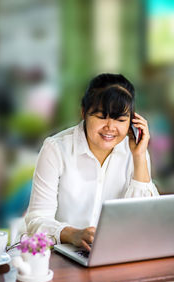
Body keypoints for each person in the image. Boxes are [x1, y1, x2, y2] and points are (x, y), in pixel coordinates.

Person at [25, 73, 159, 252]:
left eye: (120, 119)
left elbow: (146, 221)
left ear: (132, 120)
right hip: (62, 256)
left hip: (118, 253)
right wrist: (72, 234)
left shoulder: (135, 151)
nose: (110, 127)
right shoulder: (56, 149)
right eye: (101, 117)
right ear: (84, 113)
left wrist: (140, 157)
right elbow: (36, 220)